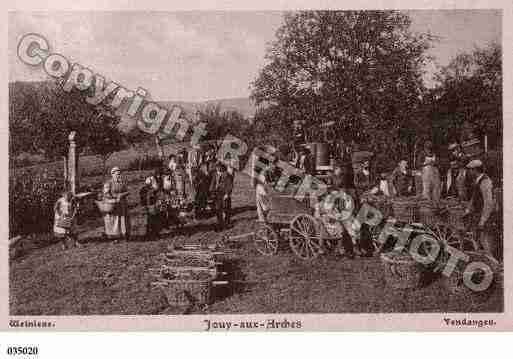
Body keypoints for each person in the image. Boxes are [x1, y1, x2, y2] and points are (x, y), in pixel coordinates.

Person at [464, 159, 497, 259]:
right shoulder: (478, 181)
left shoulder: (485, 181)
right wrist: (468, 211)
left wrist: (483, 220)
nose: (468, 172)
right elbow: (474, 199)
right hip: (479, 215)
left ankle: (493, 263)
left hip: (486, 217)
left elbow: (488, 203)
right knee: (479, 240)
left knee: (485, 241)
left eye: (470, 170)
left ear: (476, 170)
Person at [103, 167, 131, 241]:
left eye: (119, 174)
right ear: (112, 174)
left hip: (122, 204)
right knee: (114, 220)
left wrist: (122, 195)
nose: (118, 176)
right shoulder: (108, 183)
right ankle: (114, 236)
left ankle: (124, 234)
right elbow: (106, 194)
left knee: (123, 219)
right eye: (117, 174)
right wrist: (114, 197)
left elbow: (128, 191)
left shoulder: (122, 183)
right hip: (113, 204)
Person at [210, 162, 233, 231]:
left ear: (222, 167)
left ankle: (227, 222)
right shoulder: (215, 174)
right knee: (218, 209)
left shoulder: (227, 175)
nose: (217, 168)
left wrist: (227, 194)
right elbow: (212, 183)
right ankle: (219, 222)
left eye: (219, 167)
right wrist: (211, 192)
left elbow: (230, 185)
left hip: (224, 193)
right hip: (217, 194)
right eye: (216, 167)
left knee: (226, 208)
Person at [144, 176, 165, 240]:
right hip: (151, 207)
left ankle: (154, 233)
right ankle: (152, 234)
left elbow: (158, 196)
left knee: (154, 220)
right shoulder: (148, 190)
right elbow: (148, 199)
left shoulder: (153, 189)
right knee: (152, 220)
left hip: (154, 207)